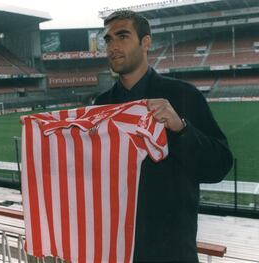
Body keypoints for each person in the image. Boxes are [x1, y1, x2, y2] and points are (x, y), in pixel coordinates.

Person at [95, 10, 233, 263]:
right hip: (114, 250)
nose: (113, 46)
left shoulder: (183, 96)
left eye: (122, 36)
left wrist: (181, 129)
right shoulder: (101, 106)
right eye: (108, 39)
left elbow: (219, 166)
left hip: (171, 252)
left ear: (146, 42)